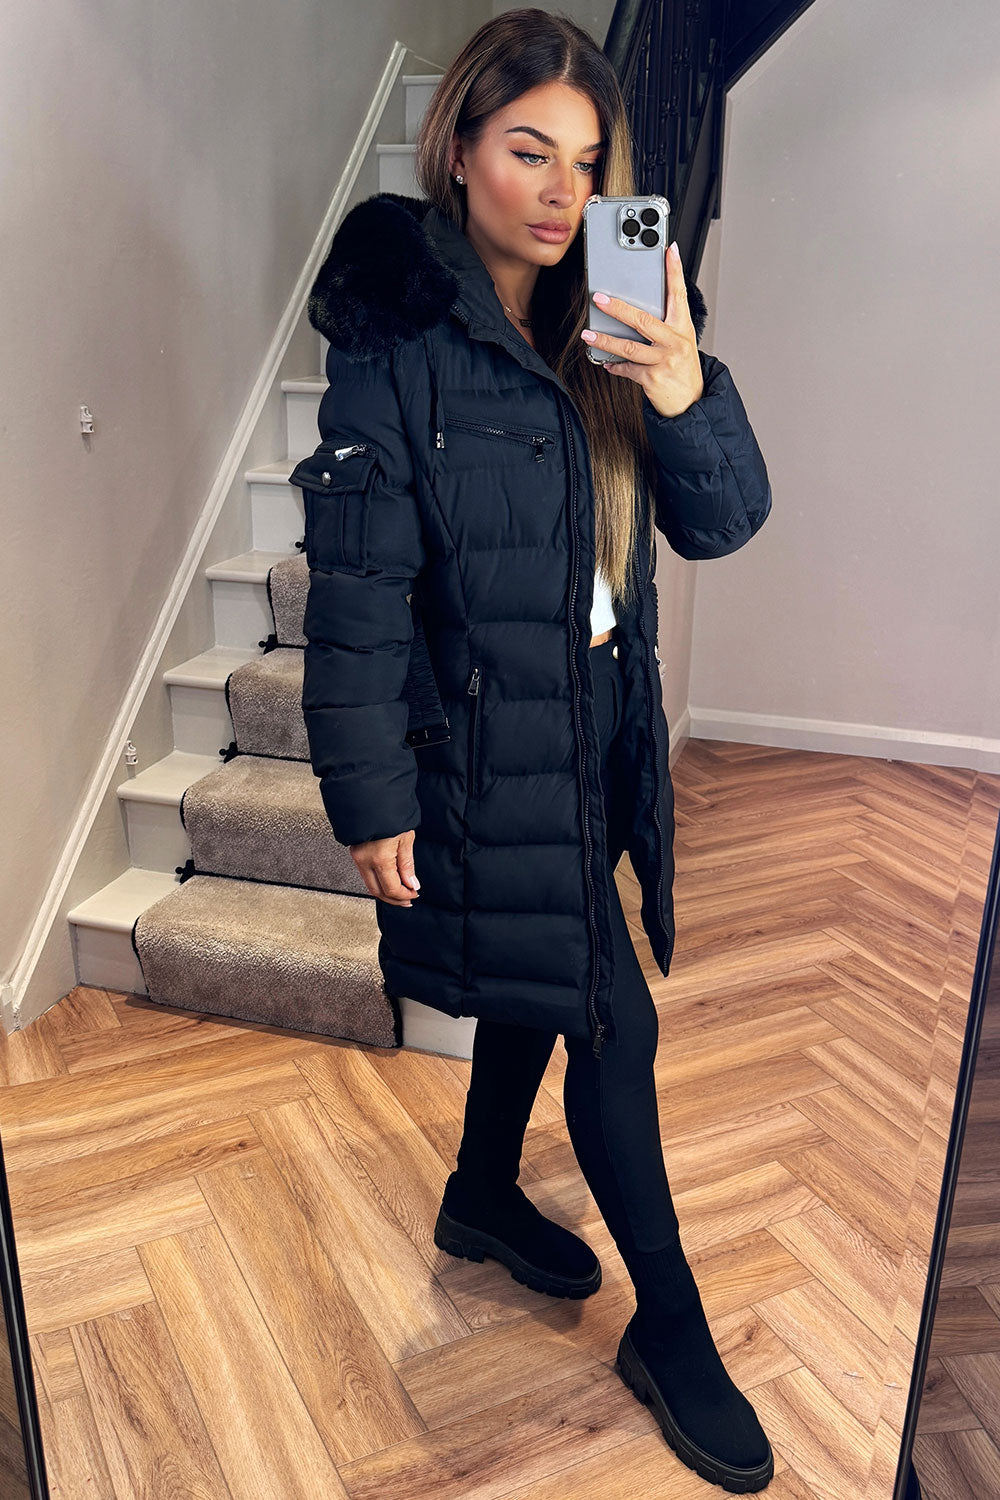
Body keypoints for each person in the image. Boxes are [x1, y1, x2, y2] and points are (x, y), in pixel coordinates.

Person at [297, 9, 773, 1491]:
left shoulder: (613, 320)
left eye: (586, 159)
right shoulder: (398, 341)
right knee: (608, 1020)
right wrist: (369, 794)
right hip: (485, 748)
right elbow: (359, 591)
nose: (565, 192)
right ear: (458, 149)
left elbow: (723, 524)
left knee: (542, 971)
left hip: (603, 727)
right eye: (528, 150)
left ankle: (481, 1192)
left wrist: (685, 390)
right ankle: (671, 1329)